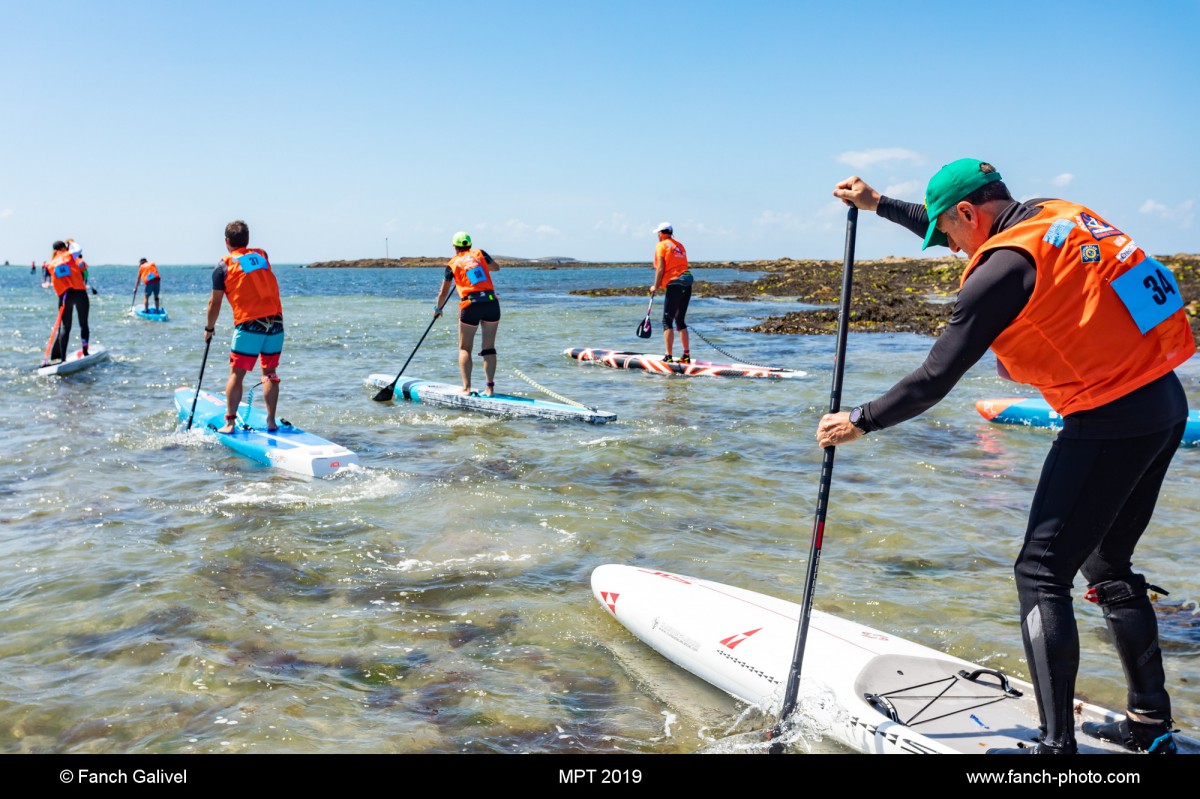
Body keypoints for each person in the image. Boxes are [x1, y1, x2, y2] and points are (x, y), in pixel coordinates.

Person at [819, 158, 1195, 755]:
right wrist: (879, 202)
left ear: (970, 213)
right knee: (1107, 564)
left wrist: (861, 419)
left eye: (947, 232)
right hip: (1163, 401)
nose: (947, 246)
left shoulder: (998, 273)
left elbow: (935, 377)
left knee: (1040, 573)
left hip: (1108, 418)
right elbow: (955, 224)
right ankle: (1149, 724)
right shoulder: (1053, 216)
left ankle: (1055, 750)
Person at [203, 220, 284, 434]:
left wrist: (209, 328)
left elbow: (214, 303)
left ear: (226, 241)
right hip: (275, 321)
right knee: (270, 373)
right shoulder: (262, 255)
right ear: (247, 240)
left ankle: (230, 424)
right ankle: (271, 422)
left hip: (250, 324)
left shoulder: (223, 267)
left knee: (236, 374)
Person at [434, 231, 501, 396]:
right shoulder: (480, 253)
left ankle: (466, 388)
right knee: (489, 348)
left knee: (464, 348)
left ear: (455, 247)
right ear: (469, 245)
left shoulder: (452, 263)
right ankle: (490, 389)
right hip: (491, 303)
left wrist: (438, 309)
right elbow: (496, 268)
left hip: (471, 305)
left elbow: (443, 292)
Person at [651, 222, 694, 363]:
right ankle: (686, 356)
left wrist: (656, 286)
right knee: (680, 321)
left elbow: (660, 268)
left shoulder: (661, 245)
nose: (658, 235)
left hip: (675, 283)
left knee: (667, 321)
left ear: (661, 233)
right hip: (687, 281)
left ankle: (668, 357)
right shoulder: (679, 245)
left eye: (658, 233)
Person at [44, 240, 91, 364]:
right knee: (83, 324)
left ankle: (63, 358)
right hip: (79, 293)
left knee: (65, 327)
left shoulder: (51, 264)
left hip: (65, 297)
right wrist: (71, 241)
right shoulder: (69, 255)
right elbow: (79, 249)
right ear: (64, 247)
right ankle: (85, 351)